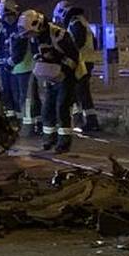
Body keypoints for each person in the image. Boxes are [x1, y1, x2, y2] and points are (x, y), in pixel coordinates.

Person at [20, 9, 82, 153]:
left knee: (62, 108)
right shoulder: (36, 37)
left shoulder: (59, 35)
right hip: (50, 77)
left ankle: (64, 143)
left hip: (66, 77)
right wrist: (42, 60)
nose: (30, 37)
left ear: (37, 25)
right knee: (47, 109)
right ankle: (49, 139)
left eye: (31, 33)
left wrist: (58, 63)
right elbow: (37, 54)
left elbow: (74, 58)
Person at [62, 6, 102, 132]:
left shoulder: (75, 23)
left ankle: (83, 122)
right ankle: (89, 121)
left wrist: (69, 55)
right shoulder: (84, 22)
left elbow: (77, 42)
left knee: (78, 92)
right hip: (87, 61)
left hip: (80, 62)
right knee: (82, 92)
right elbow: (94, 43)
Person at [0, 0, 22, 122]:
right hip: (4, 66)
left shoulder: (20, 26)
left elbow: (20, 48)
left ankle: (20, 119)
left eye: (9, 16)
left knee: (18, 94)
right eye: (5, 16)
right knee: (6, 93)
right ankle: (11, 118)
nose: (7, 19)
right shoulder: (2, 28)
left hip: (16, 66)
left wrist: (10, 61)